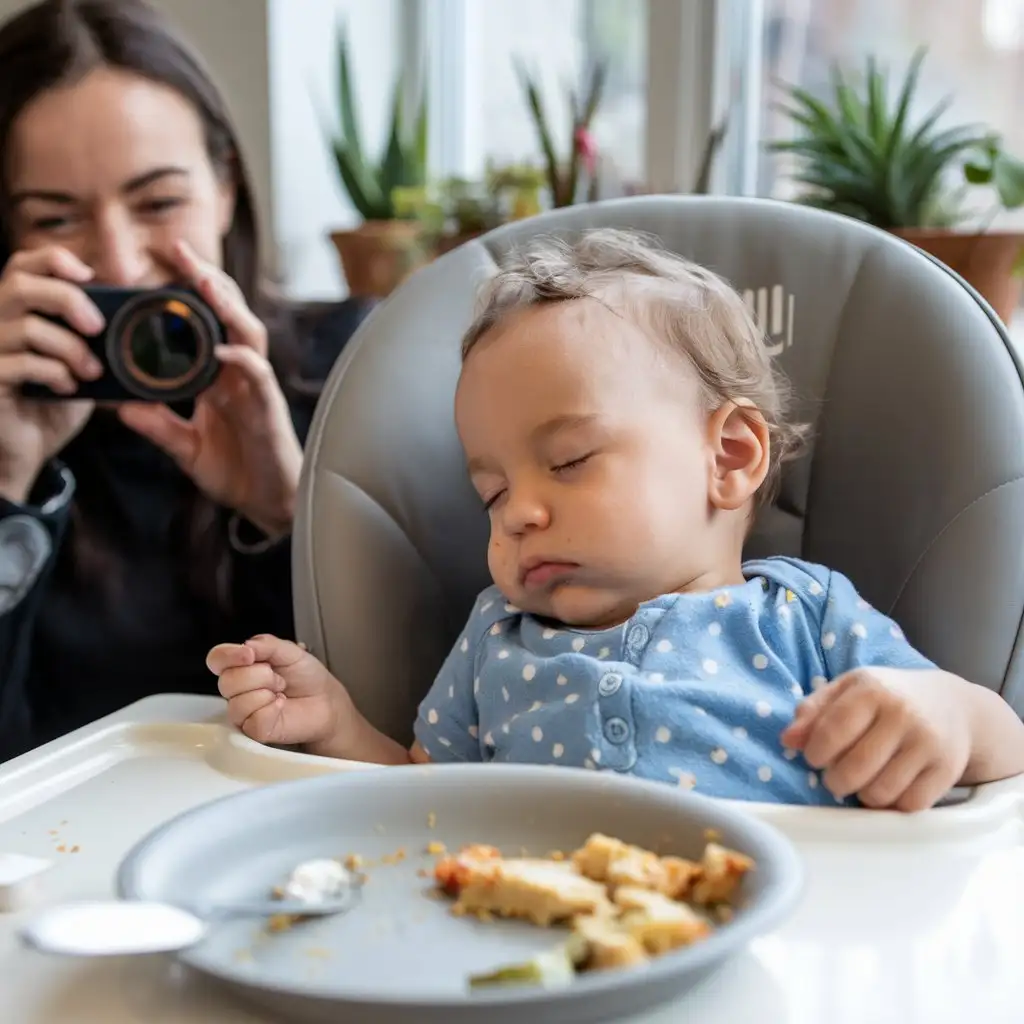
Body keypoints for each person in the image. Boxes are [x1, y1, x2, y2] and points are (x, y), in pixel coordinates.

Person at [208, 228, 1024, 811]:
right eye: (490, 494)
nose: (520, 513)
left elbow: (1006, 746)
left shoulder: (802, 618)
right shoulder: (498, 635)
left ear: (730, 458)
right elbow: (423, 797)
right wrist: (338, 727)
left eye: (569, 462)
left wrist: (947, 715)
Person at [0, 0, 371, 761]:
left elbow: (420, 714)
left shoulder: (355, 366)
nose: (121, 262)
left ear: (226, 186)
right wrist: (8, 484)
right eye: (55, 218)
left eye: (159, 203)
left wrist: (283, 511)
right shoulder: (13, 419)